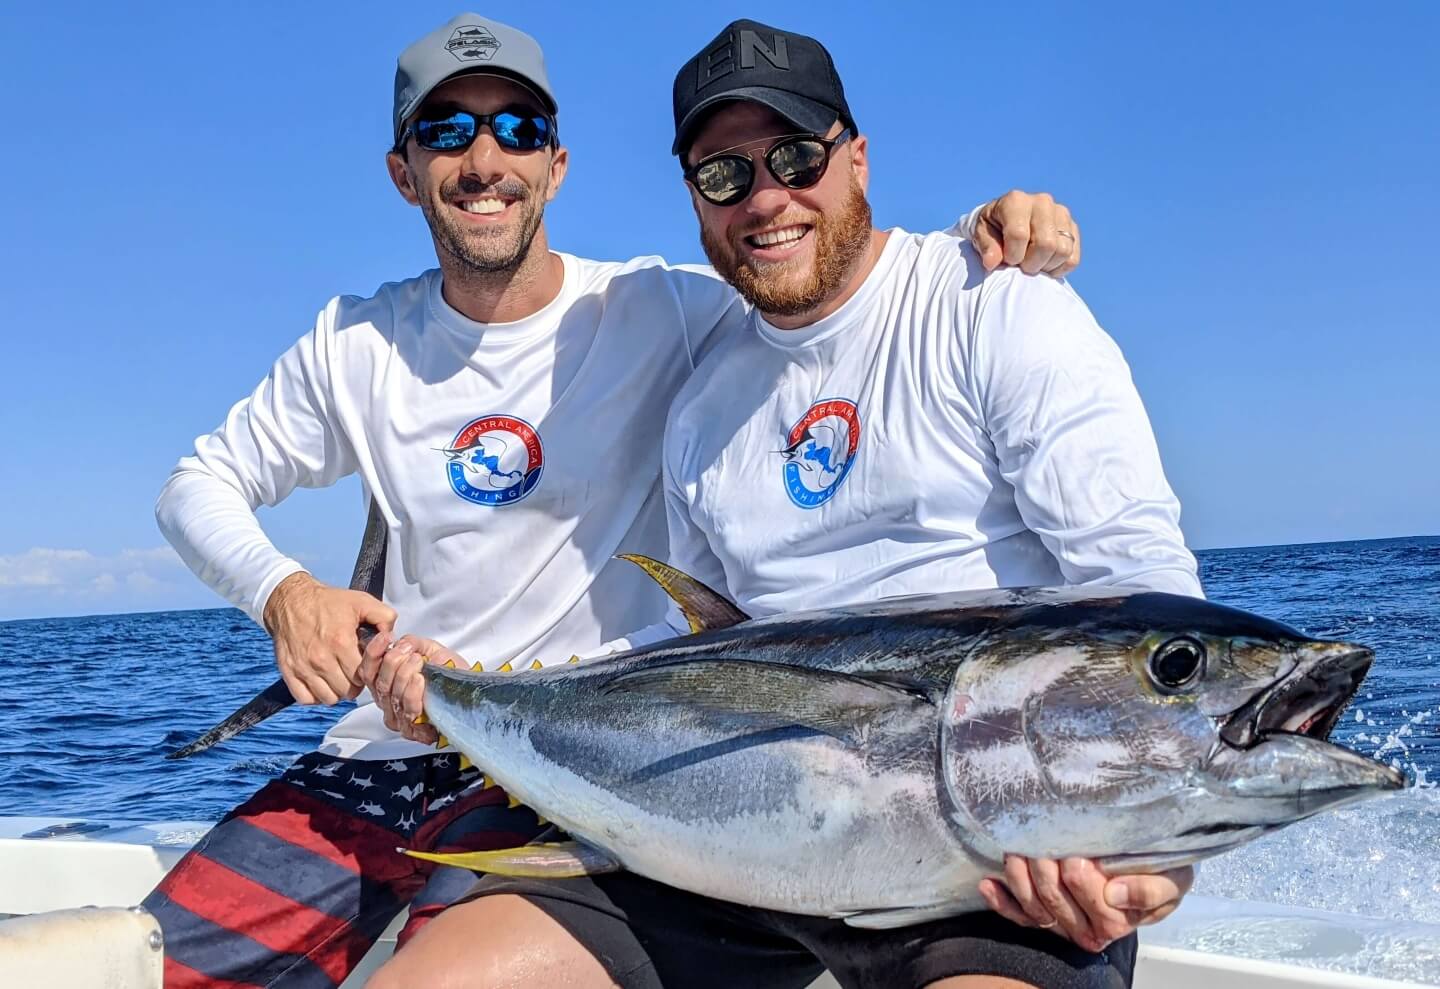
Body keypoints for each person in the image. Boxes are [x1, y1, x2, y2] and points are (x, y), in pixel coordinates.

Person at [147, 12, 1079, 989]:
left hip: (578, 769)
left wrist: (991, 230)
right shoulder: (354, 342)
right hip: (382, 743)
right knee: (148, 965)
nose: (483, 159)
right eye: (446, 131)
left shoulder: (666, 310)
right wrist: (286, 592)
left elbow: (815, 263)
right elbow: (193, 487)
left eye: (516, 129)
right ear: (402, 169)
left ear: (556, 163)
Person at [365, 18, 1201, 989]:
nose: (765, 197)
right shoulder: (700, 410)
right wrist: (462, 686)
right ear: (693, 198)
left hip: (988, 861)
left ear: (858, 156)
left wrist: (1157, 855)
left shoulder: (995, 304)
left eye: (795, 155)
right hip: (728, 844)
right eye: (723, 175)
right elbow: (692, 656)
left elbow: (1142, 597)